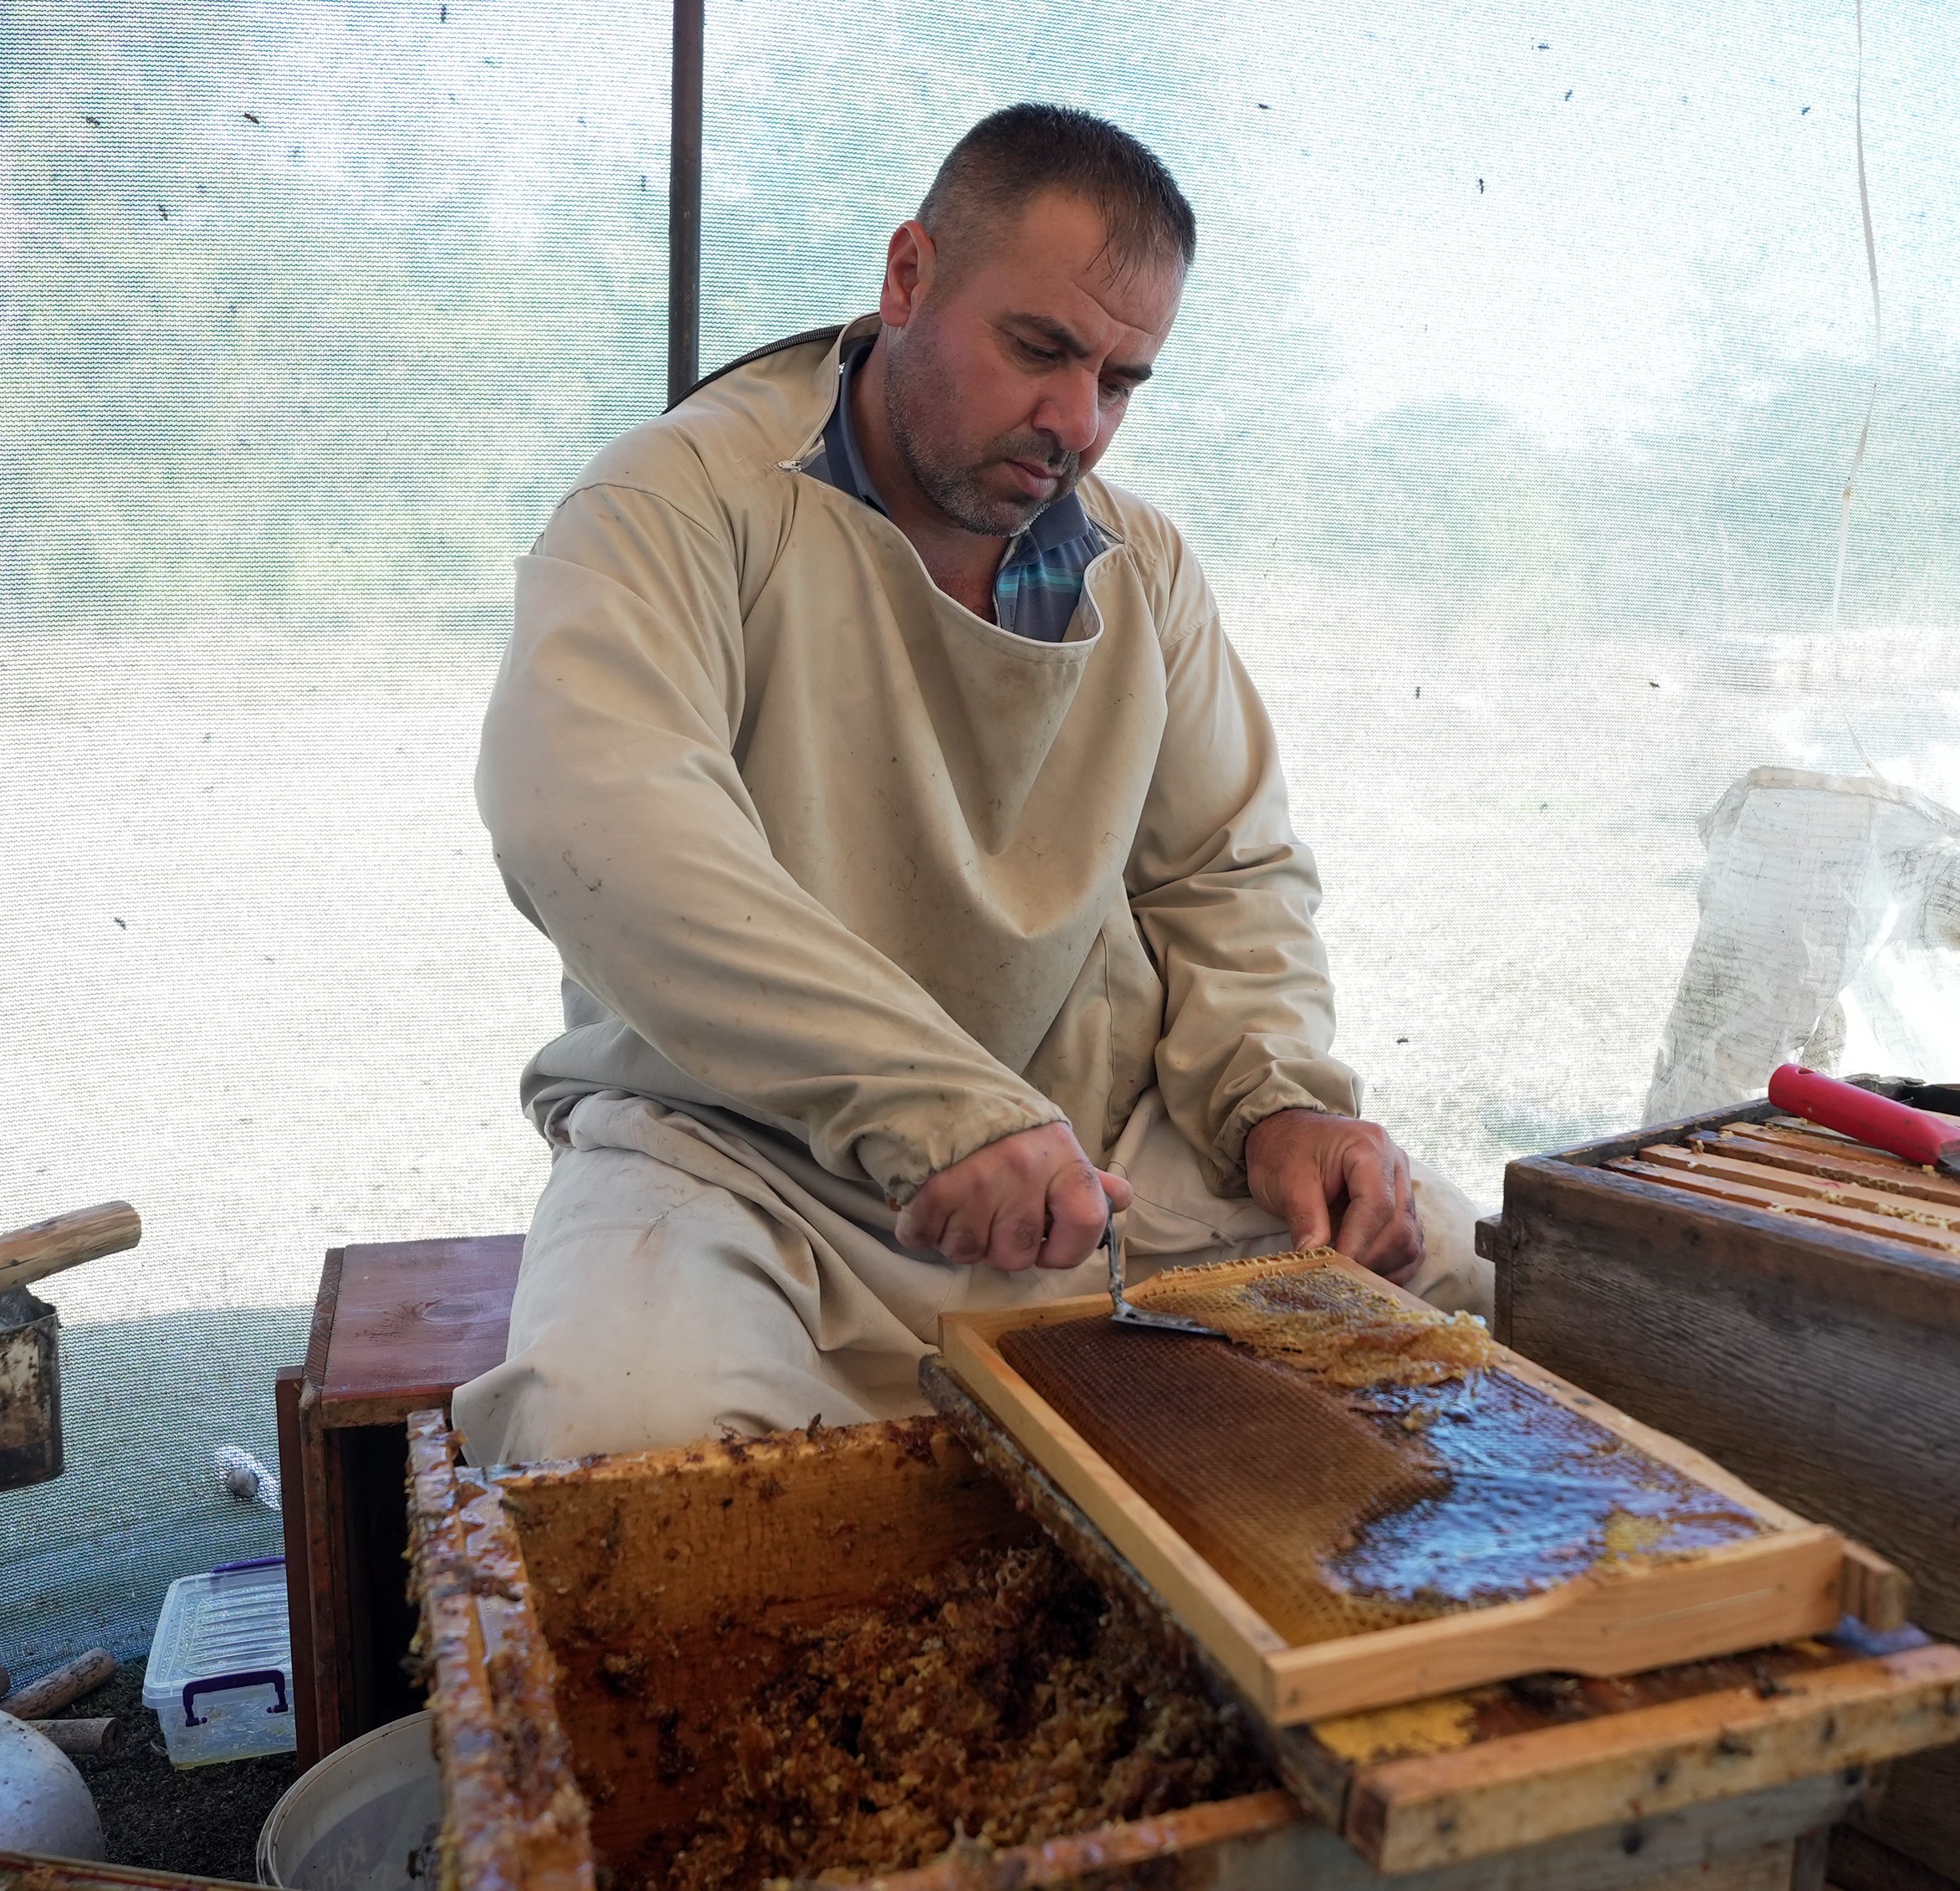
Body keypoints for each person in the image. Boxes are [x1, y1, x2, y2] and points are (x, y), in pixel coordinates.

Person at [453, 104, 1489, 1467]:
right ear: (909, 278)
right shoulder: (678, 504)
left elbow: (1221, 873)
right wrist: (936, 1112)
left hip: (1094, 1160)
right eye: (1040, 348)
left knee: (1460, 1287)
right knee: (617, 1435)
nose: (1077, 423)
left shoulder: (1143, 565)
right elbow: (599, 829)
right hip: (747, 1160)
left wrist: (1279, 1098)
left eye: (1121, 383)